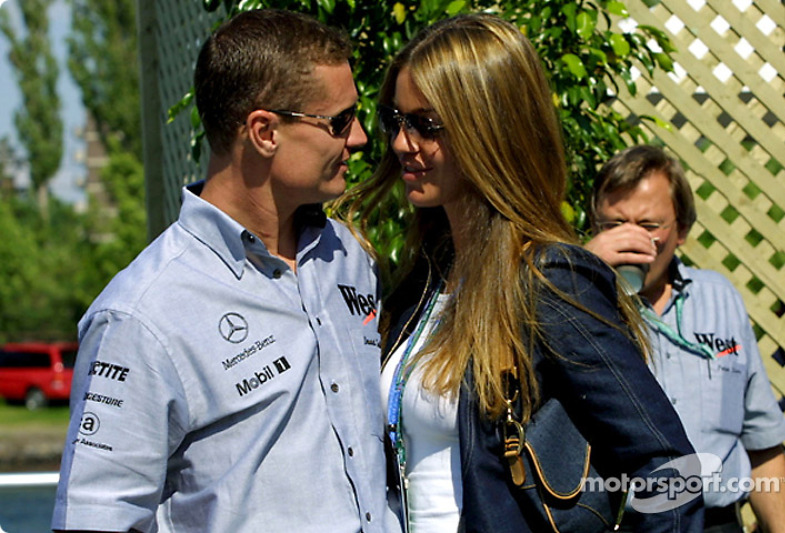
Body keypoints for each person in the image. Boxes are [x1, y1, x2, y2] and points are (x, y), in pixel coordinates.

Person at [342, 13, 703, 533]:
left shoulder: (550, 281)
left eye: (425, 124)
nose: (401, 143)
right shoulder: (427, 278)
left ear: (486, 127)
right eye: (395, 120)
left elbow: (671, 472)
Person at [52, 9, 398, 533]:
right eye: (339, 121)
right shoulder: (140, 315)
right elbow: (95, 521)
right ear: (264, 132)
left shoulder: (349, 258)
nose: (360, 139)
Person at [585, 144, 785, 532]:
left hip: (716, 522)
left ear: (681, 230)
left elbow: (762, 443)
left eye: (649, 226)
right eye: (614, 224)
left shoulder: (719, 299)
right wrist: (584, 275)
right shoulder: (576, 304)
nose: (631, 238)